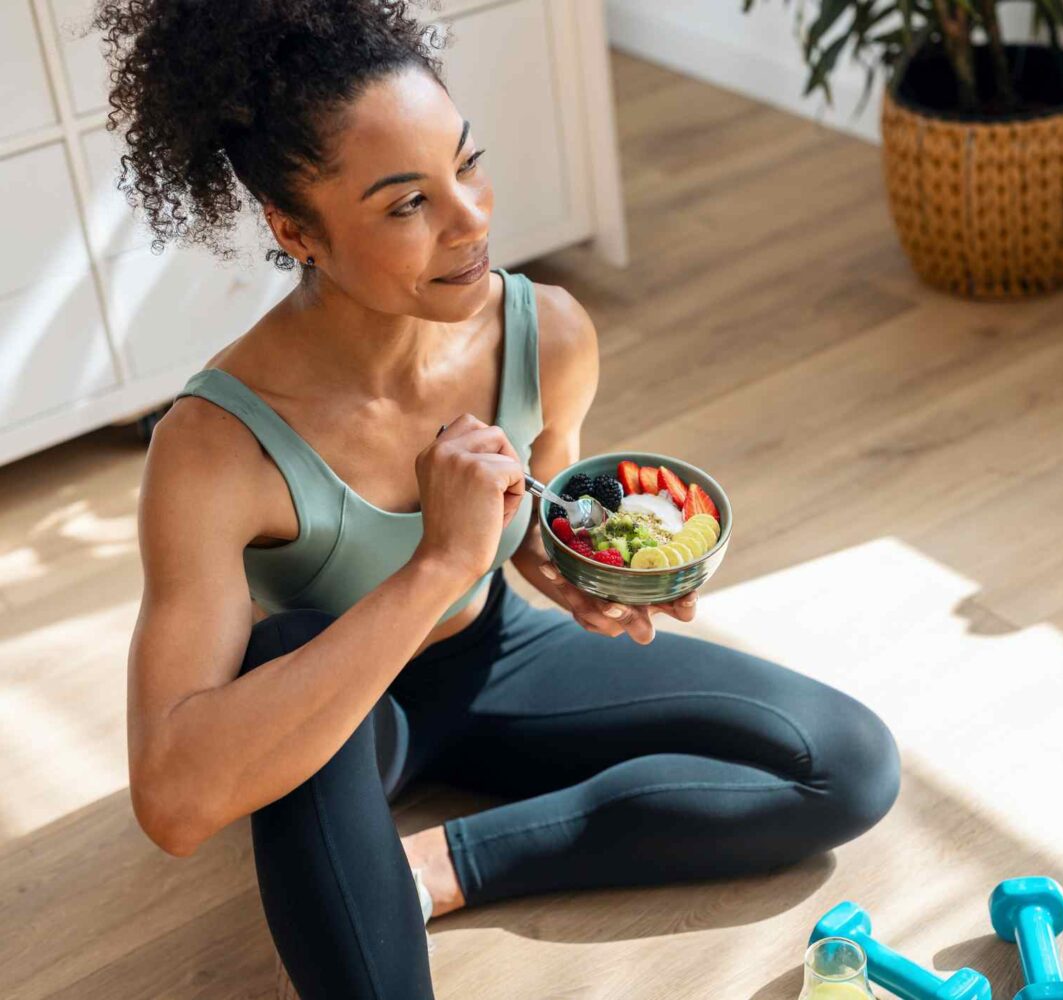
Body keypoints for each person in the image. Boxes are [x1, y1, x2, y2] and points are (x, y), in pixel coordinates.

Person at [100, 1, 902, 996]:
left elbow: (533, 520)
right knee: (288, 646)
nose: (472, 217)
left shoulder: (547, 332)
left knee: (848, 764)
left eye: (466, 164)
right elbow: (176, 800)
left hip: (492, 659)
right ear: (295, 228)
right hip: (333, 712)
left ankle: (436, 868)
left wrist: (578, 572)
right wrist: (438, 558)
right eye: (406, 204)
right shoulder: (217, 446)